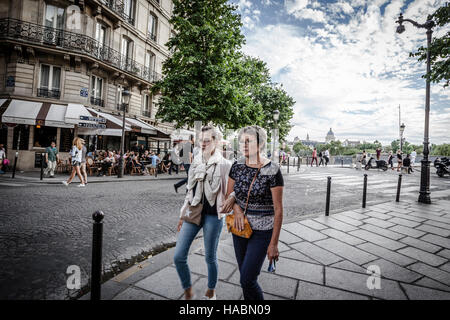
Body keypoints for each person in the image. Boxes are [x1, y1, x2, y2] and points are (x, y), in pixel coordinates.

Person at [174, 126, 233, 300]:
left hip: (214, 216)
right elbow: (189, 191)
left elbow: (233, 190)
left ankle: (211, 290)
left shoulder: (225, 165)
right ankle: (188, 289)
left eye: (207, 140)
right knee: (178, 256)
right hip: (193, 211)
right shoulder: (196, 162)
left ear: (215, 141)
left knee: (210, 257)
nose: (203, 143)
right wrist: (181, 215)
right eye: (201, 140)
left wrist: (232, 200)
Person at [225, 125, 284, 300]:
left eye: (248, 141)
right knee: (244, 277)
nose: (243, 145)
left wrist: (273, 244)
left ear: (260, 144)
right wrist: (237, 211)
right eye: (242, 141)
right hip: (240, 228)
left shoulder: (272, 170)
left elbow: (279, 209)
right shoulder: (236, 166)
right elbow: (229, 194)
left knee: (248, 279)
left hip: (262, 232)